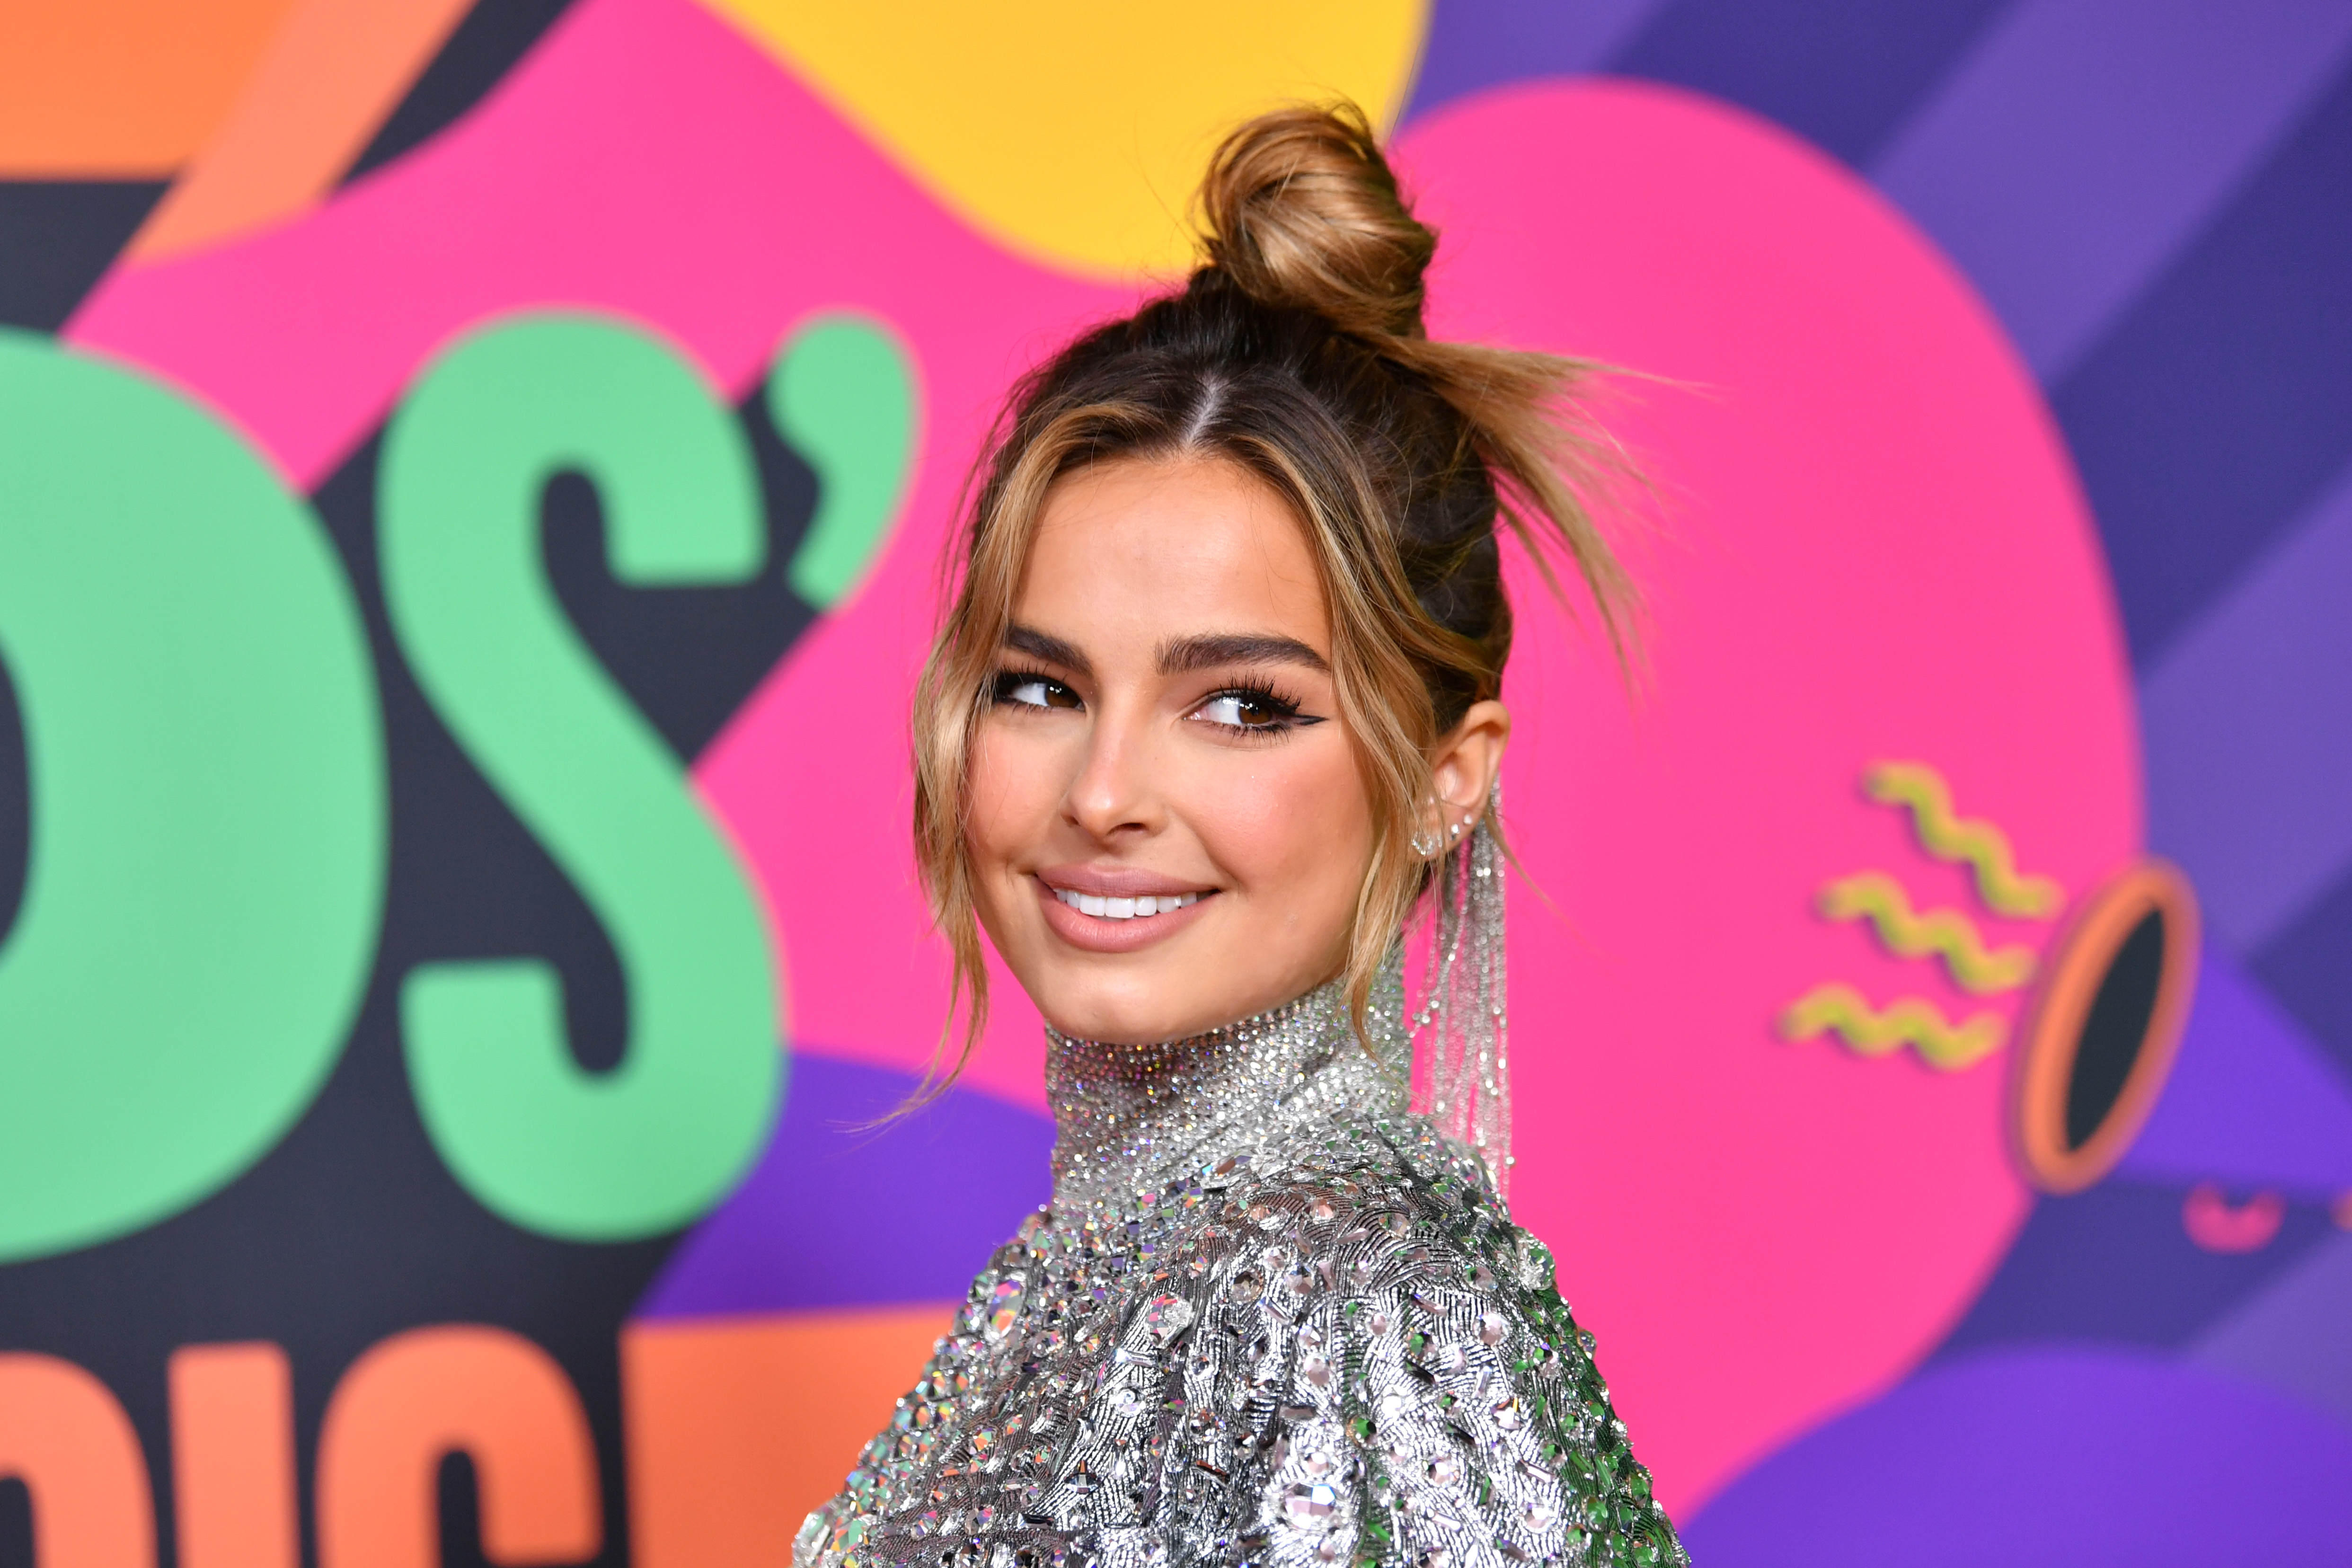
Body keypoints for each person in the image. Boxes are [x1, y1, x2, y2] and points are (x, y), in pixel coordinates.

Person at [796, 102, 1685, 1568]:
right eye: (1040, 686)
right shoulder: (1144, 1261)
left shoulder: (1346, 1292)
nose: (1102, 791)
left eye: (1243, 706)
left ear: (1443, 776)